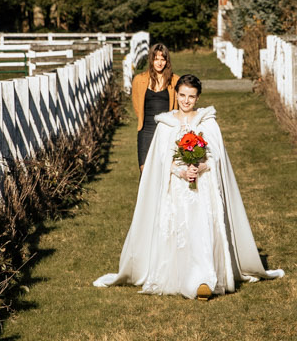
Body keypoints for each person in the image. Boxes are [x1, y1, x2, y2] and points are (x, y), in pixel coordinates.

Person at [95, 74, 285, 299]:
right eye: (182, 95)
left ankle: (203, 279)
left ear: (198, 97)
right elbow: (161, 161)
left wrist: (201, 166)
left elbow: (216, 155)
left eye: (191, 97)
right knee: (180, 229)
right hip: (176, 187)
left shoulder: (207, 121)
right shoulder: (166, 124)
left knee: (203, 227)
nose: (186, 101)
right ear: (176, 95)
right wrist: (181, 171)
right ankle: (181, 276)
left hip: (203, 186)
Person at [130, 45, 176, 168]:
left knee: (165, 169)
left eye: (162, 59)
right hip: (146, 130)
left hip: (167, 130)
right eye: (156, 59)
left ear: (167, 61)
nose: (159, 63)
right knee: (145, 169)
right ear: (151, 60)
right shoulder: (139, 80)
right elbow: (136, 104)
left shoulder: (175, 80)